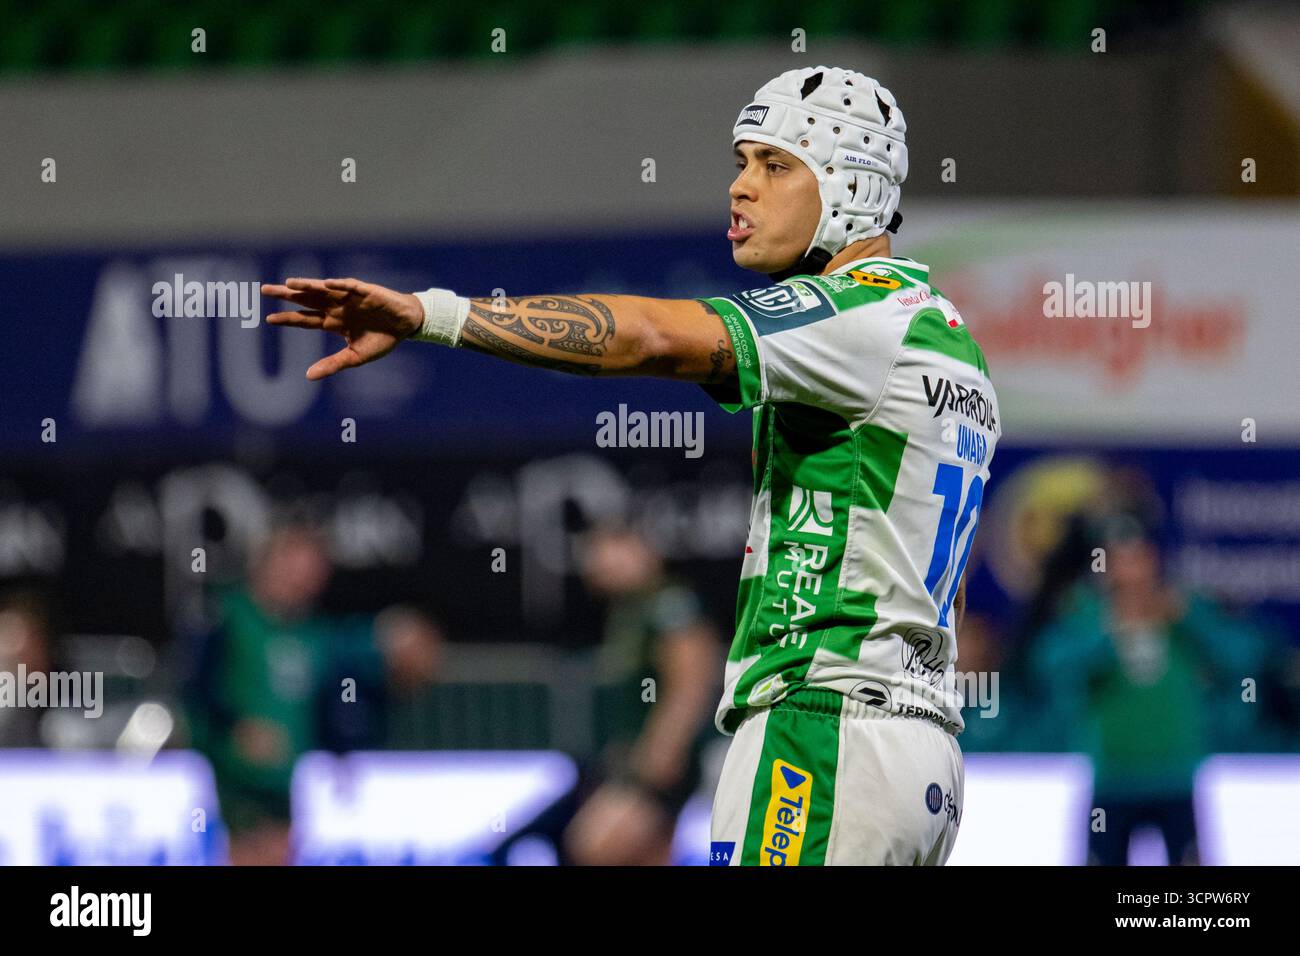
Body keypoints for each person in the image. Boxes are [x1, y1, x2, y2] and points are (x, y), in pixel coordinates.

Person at [262, 66, 1000, 865]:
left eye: (775, 165)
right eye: (740, 162)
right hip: (922, 752)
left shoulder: (857, 314)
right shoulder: (954, 345)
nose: (741, 189)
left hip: (822, 737)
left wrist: (429, 315)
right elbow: (944, 590)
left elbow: (646, 335)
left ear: (853, 183)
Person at [185, 519, 336, 866]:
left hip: (287, 785)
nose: (303, 580)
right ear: (269, 563)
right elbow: (196, 687)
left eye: (313, 571)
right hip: (227, 783)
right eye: (294, 567)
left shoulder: (314, 633)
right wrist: (237, 727)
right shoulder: (224, 616)